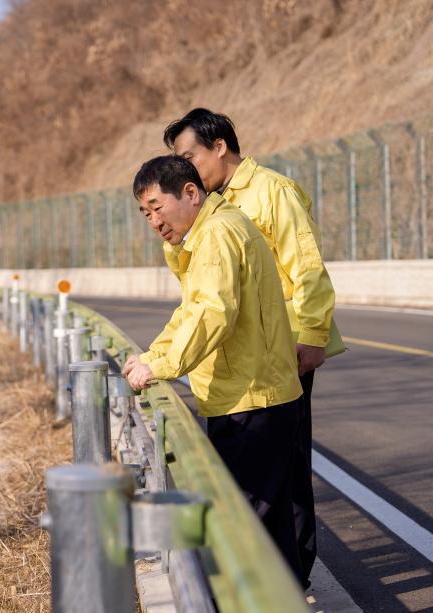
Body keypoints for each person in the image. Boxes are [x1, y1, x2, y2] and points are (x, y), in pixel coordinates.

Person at [163, 108, 343, 587]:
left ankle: (291, 579)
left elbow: (306, 267)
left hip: (284, 350)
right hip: (250, 355)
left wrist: (311, 336)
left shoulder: (271, 192)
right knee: (273, 471)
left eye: (190, 156)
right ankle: (281, 578)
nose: (185, 169)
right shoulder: (210, 205)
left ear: (219, 146)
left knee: (288, 471)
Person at [122, 155, 304, 580]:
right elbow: (192, 312)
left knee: (238, 531)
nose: (153, 221)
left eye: (157, 207)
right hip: (253, 394)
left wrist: (161, 365)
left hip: (251, 401)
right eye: (145, 212)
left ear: (190, 193)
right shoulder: (211, 231)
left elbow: (211, 314)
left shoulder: (216, 233)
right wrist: (152, 356)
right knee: (271, 534)